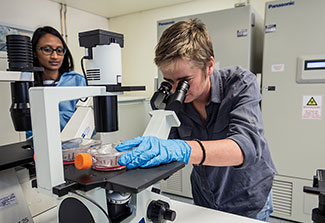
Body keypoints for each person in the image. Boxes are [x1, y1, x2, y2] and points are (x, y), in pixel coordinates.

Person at [115, 19, 277, 221]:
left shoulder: (240, 83)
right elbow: (166, 151)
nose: (175, 91)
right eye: (168, 81)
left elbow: (247, 148)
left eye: (184, 82)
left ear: (209, 65)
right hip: (205, 196)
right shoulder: (173, 99)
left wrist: (183, 149)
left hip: (247, 197)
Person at [26, 26, 86, 138]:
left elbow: (88, 123)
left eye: (59, 51)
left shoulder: (77, 81)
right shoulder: (27, 84)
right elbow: (28, 130)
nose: (54, 56)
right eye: (47, 50)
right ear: (34, 52)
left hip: (76, 147)